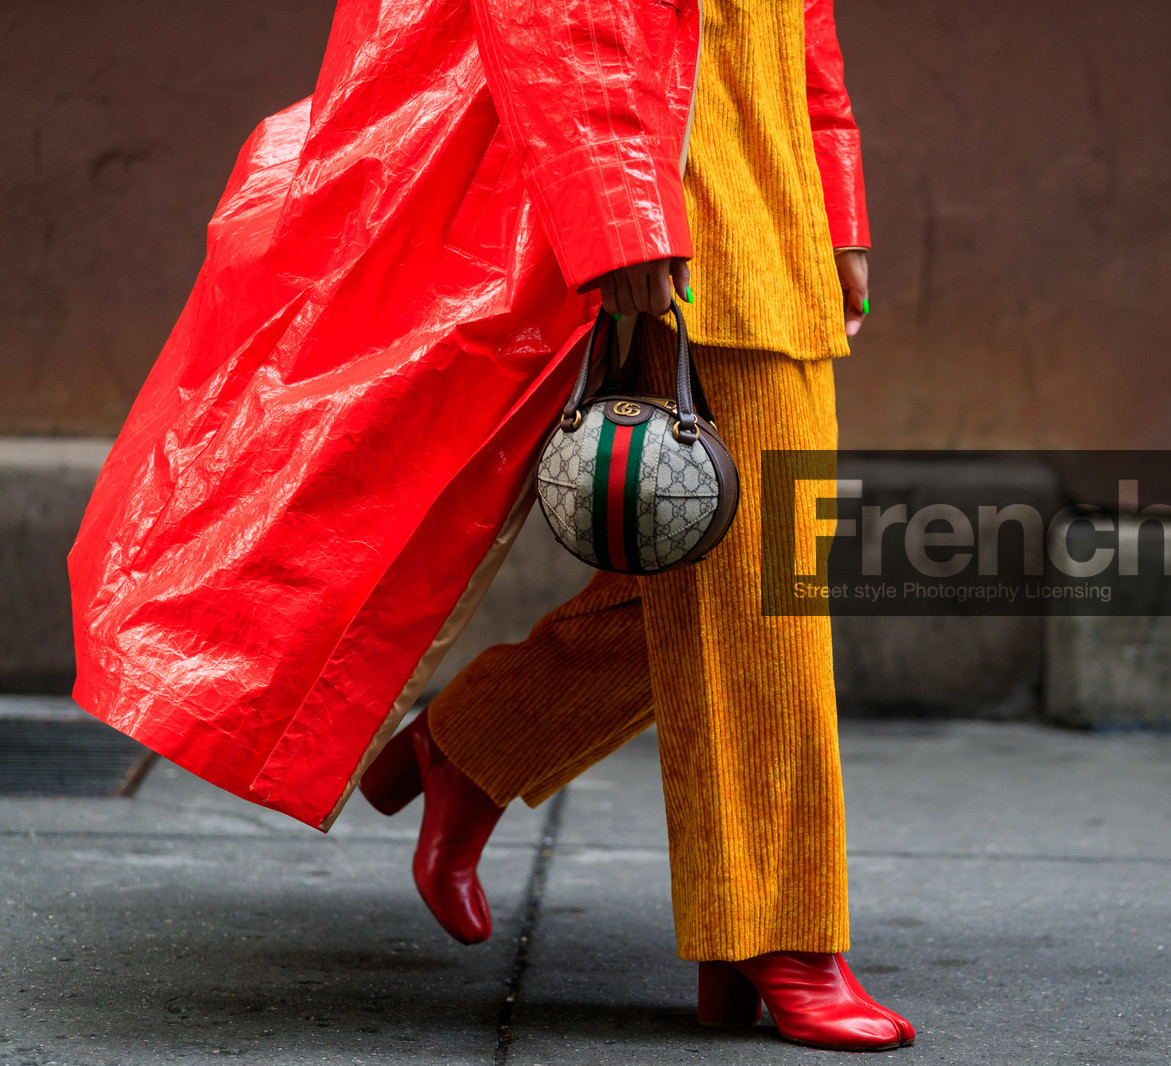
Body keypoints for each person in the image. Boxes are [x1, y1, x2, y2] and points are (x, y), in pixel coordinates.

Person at [354, 0, 914, 1052]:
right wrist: (620, 219)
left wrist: (837, 212)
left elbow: (805, 30)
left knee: (736, 586)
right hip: (682, 213)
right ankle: (779, 934)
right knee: (761, 599)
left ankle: (468, 750)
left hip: (775, 214)